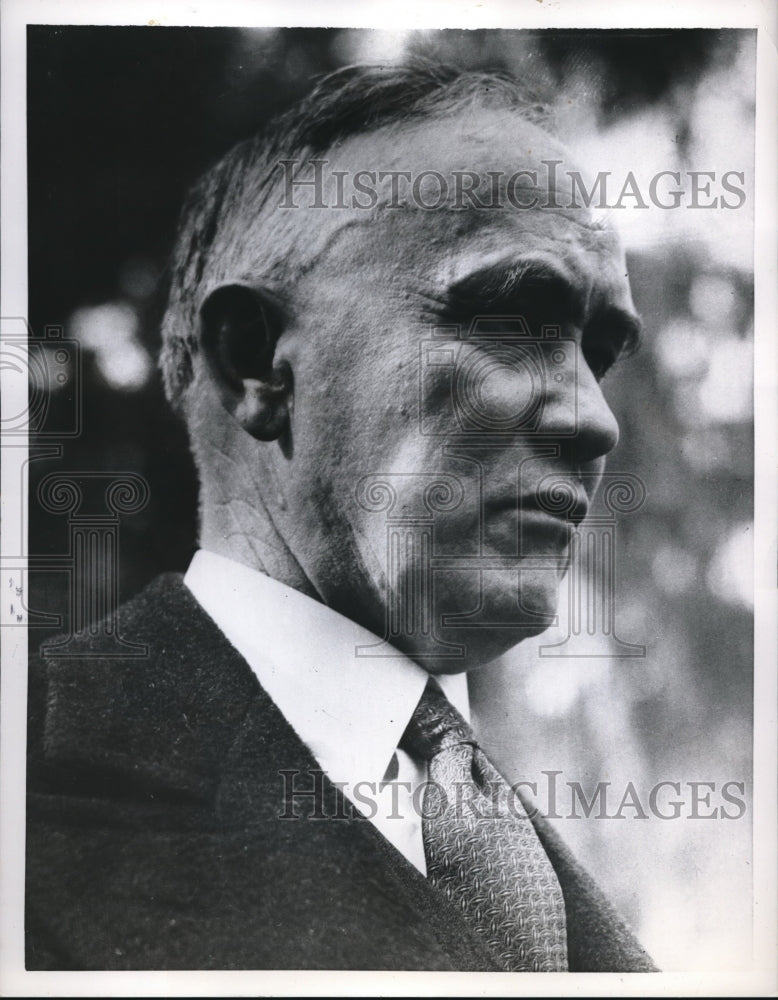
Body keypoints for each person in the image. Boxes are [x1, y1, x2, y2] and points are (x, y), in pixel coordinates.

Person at [26, 62, 656, 972]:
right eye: (511, 320)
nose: (596, 420)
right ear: (256, 367)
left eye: (600, 356)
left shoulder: (531, 859)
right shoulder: (33, 791)